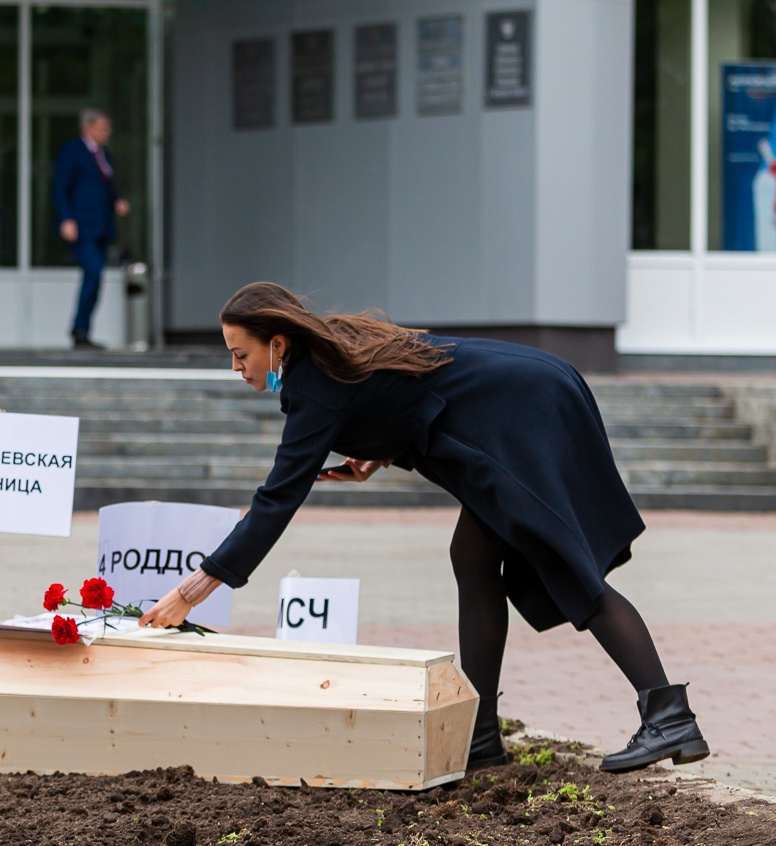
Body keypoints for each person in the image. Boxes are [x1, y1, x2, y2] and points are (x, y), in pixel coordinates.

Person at [138, 281, 711, 774]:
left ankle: (668, 716)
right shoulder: (329, 350)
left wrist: (193, 590)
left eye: (241, 355)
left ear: (277, 343)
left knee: (565, 566)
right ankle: (481, 737)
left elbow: (275, 501)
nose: (236, 368)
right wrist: (376, 452)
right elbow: (399, 390)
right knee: (474, 557)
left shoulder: (312, 387)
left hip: (521, 415)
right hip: (528, 395)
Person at [51, 108, 130, 349]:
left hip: (101, 225)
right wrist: (67, 219)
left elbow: (106, 186)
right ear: (87, 127)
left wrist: (116, 200)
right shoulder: (72, 151)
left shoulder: (104, 155)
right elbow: (61, 187)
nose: (106, 132)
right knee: (93, 271)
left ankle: (83, 329)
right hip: (81, 225)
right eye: (102, 128)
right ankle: (79, 328)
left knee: (96, 277)